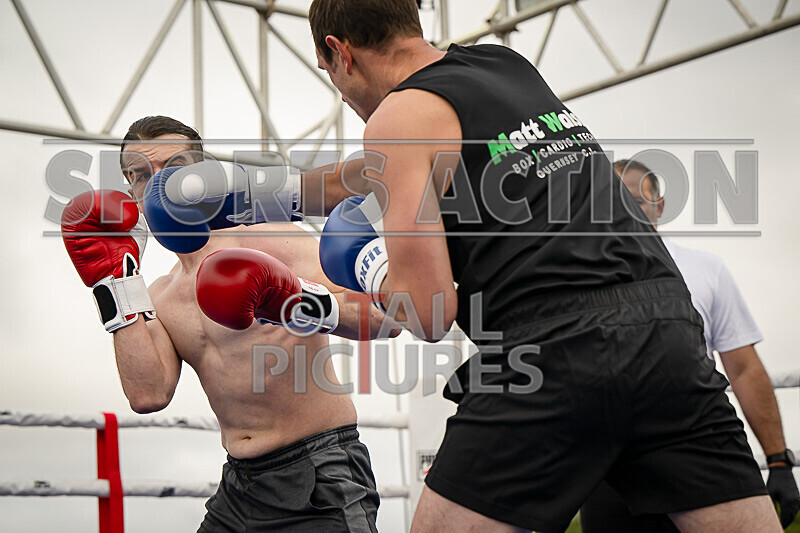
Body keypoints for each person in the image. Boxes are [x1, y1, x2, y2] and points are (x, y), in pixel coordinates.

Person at [307, 1, 783, 531]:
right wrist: (262, 195)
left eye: (331, 77)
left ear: (339, 52)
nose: (345, 99)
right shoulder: (505, 67)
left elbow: (429, 312)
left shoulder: (395, 120)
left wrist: (369, 262)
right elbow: (382, 167)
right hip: (669, 336)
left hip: (552, 349)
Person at [60, 115, 397, 532]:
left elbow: (384, 319)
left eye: (175, 170)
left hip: (320, 471)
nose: (159, 183)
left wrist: (296, 301)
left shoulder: (271, 237)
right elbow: (147, 393)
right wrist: (112, 283)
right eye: (142, 174)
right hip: (240, 486)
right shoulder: (159, 295)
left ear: (203, 177)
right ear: (129, 188)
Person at [580, 159, 799, 532]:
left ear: (660, 205)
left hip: (696, 455)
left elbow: (744, 368)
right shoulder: (575, 277)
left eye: (637, 200)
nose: (627, 211)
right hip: (606, 468)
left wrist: (778, 459)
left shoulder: (705, 270)